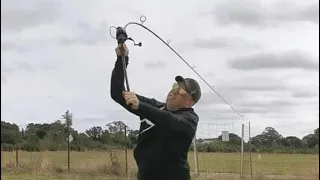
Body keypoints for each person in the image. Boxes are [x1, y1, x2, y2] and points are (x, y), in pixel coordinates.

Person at [110, 43, 202, 180]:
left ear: (190, 102)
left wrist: (140, 106)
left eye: (181, 91)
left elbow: (170, 120)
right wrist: (122, 59)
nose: (174, 91)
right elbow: (117, 93)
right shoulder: (155, 106)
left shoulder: (190, 119)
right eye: (175, 86)